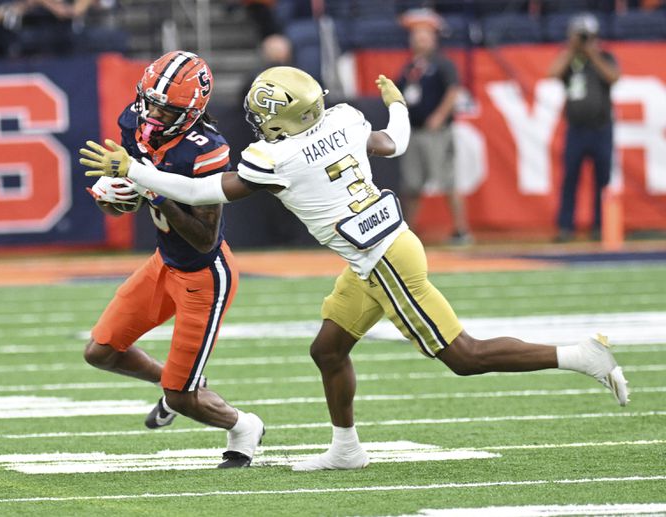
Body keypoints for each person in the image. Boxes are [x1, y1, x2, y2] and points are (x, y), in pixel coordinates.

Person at [80, 66, 629, 471]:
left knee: (465, 357)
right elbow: (394, 141)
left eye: (265, 115)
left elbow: (202, 190)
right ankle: (347, 449)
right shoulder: (342, 119)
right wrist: (400, 105)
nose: (258, 123)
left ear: (286, 119)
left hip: (382, 259)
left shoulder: (280, 158)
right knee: (327, 349)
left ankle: (580, 357)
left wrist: (137, 172)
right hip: (377, 251)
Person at [82, 50, 264, 469]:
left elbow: (204, 238)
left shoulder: (206, 150)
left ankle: (244, 426)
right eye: (151, 101)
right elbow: (126, 200)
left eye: (167, 108)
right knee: (101, 352)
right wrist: (115, 200)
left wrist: (150, 190)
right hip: (164, 262)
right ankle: (180, 378)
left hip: (205, 275)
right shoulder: (134, 121)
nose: (154, 113)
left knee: (182, 399)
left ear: (193, 111)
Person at [395, 9, 472, 245]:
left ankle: (461, 230)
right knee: (412, 184)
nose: (420, 40)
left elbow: (453, 90)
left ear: (434, 38)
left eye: (424, 35)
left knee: (448, 181)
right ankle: (408, 232)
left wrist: (439, 115)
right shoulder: (410, 67)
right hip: (415, 130)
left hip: (436, 132)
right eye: (416, 36)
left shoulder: (442, 63)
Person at [548, 13, 619, 242]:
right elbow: (553, 73)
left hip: (601, 128)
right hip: (576, 129)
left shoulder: (604, 56)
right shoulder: (571, 60)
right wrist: (571, 50)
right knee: (570, 179)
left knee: (602, 180)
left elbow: (613, 76)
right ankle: (565, 227)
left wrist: (593, 53)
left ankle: (601, 226)